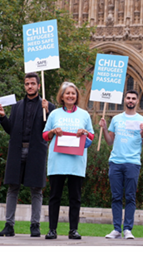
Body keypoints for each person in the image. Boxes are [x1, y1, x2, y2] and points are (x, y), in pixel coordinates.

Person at [0, 72, 55, 237]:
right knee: (12, 188)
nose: (30, 86)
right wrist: (3, 117)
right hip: (17, 150)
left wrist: (48, 111)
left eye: (33, 83)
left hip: (36, 151)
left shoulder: (47, 106)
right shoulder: (17, 106)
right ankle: (9, 225)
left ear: (38, 85)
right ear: (25, 85)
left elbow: (51, 130)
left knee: (36, 189)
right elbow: (11, 131)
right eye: (27, 83)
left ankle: (35, 226)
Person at [42, 82, 94, 240]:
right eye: (67, 93)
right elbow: (45, 135)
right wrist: (52, 131)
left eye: (73, 93)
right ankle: (52, 230)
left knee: (75, 198)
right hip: (57, 161)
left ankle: (73, 230)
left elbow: (91, 138)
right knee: (54, 196)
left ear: (77, 96)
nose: (71, 96)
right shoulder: (54, 114)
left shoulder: (84, 115)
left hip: (76, 162)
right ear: (62, 96)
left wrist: (84, 133)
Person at [99, 90, 143, 240]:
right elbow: (110, 142)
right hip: (115, 162)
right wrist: (104, 128)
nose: (130, 100)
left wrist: (142, 135)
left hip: (132, 163)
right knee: (116, 197)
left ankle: (127, 229)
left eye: (133, 98)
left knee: (130, 197)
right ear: (124, 100)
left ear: (137, 101)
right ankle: (116, 229)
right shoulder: (116, 119)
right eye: (128, 98)